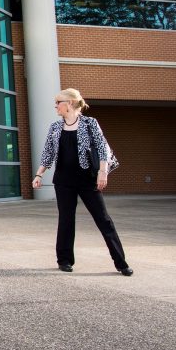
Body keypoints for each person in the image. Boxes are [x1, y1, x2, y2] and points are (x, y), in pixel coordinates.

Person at [32, 88, 133, 276]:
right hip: (63, 181)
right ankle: (64, 260)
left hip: (88, 180)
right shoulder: (55, 127)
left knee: (103, 220)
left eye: (58, 102)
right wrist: (39, 175)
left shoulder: (89, 123)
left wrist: (103, 172)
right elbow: (48, 153)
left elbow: (102, 148)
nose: (55, 106)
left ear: (69, 103)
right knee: (66, 220)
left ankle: (121, 263)